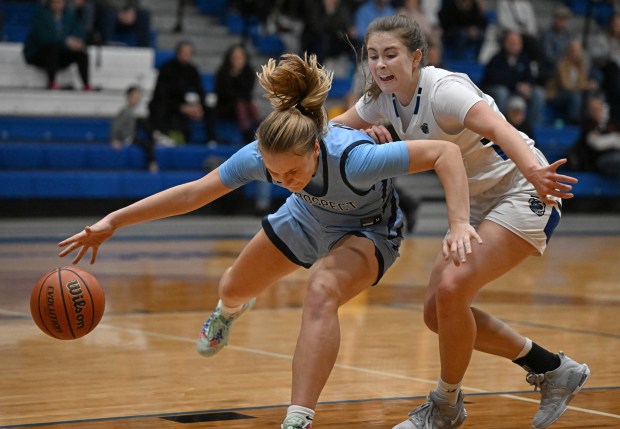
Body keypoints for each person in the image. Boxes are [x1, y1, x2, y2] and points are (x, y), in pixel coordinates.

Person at [57, 52, 481, 429]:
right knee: (232, 287)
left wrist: (459, 223)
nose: (283, 181)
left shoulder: (356, 158)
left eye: (292, 174)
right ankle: (228, 310)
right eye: (275, 175)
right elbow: (192, 193)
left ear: (316, 148)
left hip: (367, 229)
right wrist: (113, 221)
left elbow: (444, 155)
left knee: (321, 290)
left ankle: (299, 417)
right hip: (307, 217)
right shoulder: (263, 156)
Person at [331, 14, 589, 429]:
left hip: (522, 189)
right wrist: (363, 135)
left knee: (451, 290)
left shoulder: (445, 90)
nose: (380, 64)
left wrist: (535, 173)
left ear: (416, 57)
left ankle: (445, 405)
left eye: (391, 55)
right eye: (373, 55)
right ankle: (555, 370)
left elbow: (501, 129)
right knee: (437, 314)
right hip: (476, 200)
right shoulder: (380, 100)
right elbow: (334, 130)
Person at [148, 40, 216, 145]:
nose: (186, 55)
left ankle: (211, 140)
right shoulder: (166, 68)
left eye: (189, 53)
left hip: (182, 102)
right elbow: (161, 95)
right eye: (184, 52)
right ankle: (159, 134)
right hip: (166, 103)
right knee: (159, 107)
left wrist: (199, 107)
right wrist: (181, 107)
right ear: (178, 53)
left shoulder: (192, 69)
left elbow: (200, 91)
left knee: (209, 109)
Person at [23, 0, 92, 91]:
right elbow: (45, 38)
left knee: (81, 52)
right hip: (37, 54)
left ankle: (86, 85)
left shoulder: (68, 15)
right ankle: (52, 83)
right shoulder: (41, 15)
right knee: (52, 48)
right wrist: (65, 42)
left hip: (59, 54)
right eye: (55, 2)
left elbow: (79, 31)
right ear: (50, 3)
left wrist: (77, 42)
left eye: (60, 2)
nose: (58, 5)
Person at [481, 30, 545, 126]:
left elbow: (530, 77)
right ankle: (500, 125)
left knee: (538, 93)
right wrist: (516, 85)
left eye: (517, 43)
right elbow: (495, 78)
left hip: (517, 92)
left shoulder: (524, 59)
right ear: (505, 43)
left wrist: (527, 86)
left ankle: (531, 127)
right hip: (497, 90)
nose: (514, 46)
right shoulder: (496, 59)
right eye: (512, 43)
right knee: (501, 92)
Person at [214, 43, 262, 144]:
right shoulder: (223, 72)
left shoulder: (249, 72)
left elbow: (247, 92)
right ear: (230, 58)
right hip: (226, 106)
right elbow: (222, 93)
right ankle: (247, 133)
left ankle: (260, 130)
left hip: (244, 104)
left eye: (240, 57)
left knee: (251, 106)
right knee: (241, 104)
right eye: (235, 57)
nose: (237, 60)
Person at [111, 85, 158, 173]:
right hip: (128, 137)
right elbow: (116, 125)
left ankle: (155, 136)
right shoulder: (125, 111)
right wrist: (115, 139)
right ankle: (152, 163)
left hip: (131, 134)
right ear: (129, 97)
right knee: (147, 144)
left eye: (138, 97)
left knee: (144, 124)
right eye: (135, 97)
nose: (137, 99)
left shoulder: (132, 111)